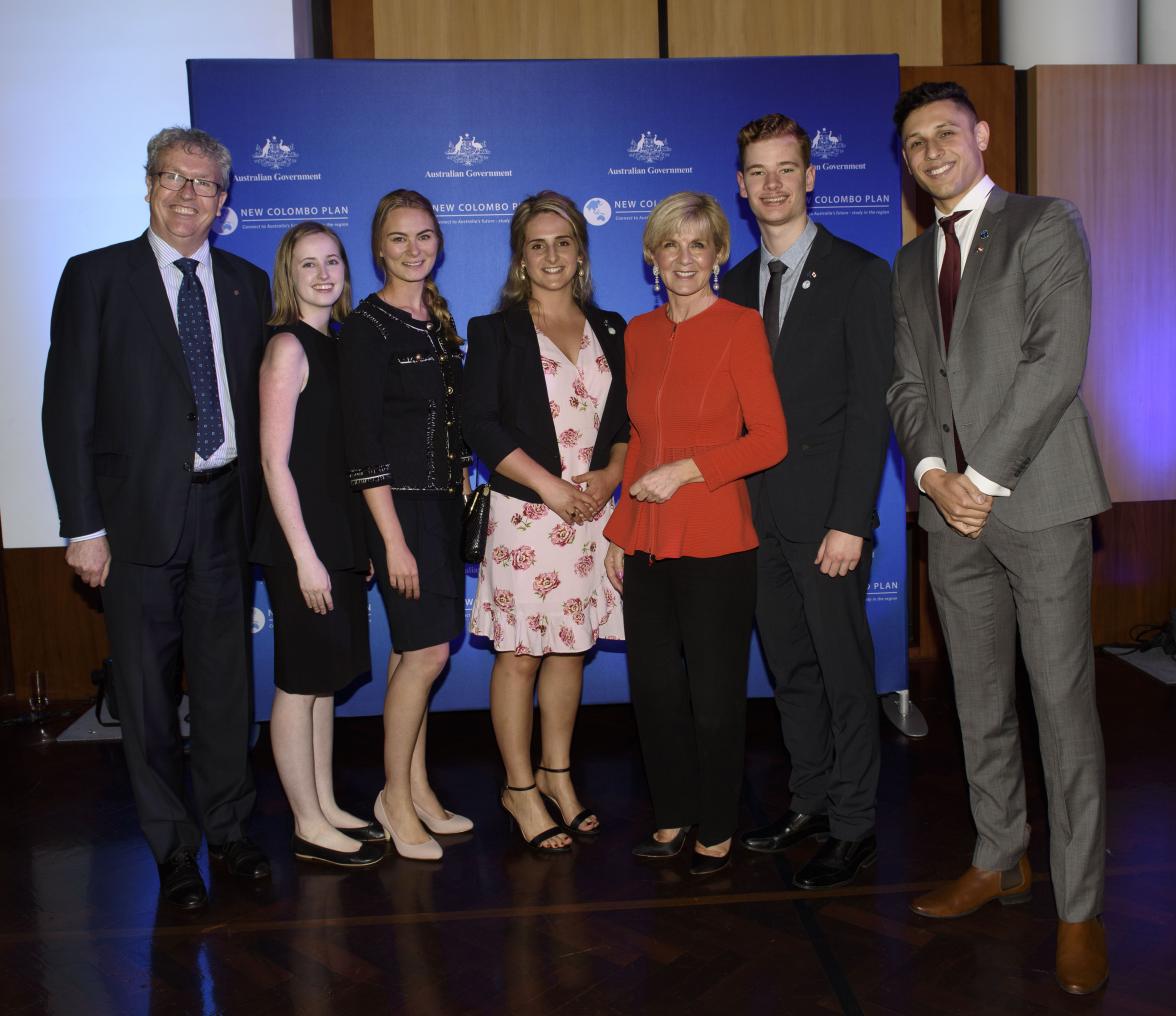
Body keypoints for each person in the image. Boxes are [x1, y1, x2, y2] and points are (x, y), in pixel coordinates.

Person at [888, 81, 1111, 995]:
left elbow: (1055, 360)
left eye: (946, 132)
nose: (931, 150)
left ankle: (1081, 908)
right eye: (913, 142)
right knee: (979, 701)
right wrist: (936, 475)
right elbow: (909, 385)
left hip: (1039, 501)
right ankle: (1000, 856)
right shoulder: (909, 265)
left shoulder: (1046, 224)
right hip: (949, 513)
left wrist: (981, 478)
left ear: (981, 136)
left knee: (1061, 709)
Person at [42, 127, 272, 909]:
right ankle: (173, 852)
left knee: (225, 691)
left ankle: (231, 832)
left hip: (224, 511)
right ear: (149, 185)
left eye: (206, 184)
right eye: (174, 179)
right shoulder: (95, 277)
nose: (188, 195)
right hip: (134, 523)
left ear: (223, 200)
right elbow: (66, 409)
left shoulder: (245, 284)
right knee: (144, 699)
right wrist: (83, 527)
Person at [720, 114, 894, 890]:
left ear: (811, 176)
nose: (773, 185)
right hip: (753, 521)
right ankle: (811, 801)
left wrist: (851, 521)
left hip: (830, 522)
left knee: (846, 672)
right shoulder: (728, 286)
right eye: (758, 172)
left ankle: (855, 826)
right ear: (740, 184)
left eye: (786, 169)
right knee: (790, 672)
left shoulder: (861, 274)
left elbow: (870, 410)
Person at [604, 192, 788, 876]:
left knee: (713, 698)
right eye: (670, 245)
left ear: (719, 253)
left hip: (715, 539)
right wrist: (621, 533)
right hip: (645, 538)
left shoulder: (741, 326)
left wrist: (689, 469)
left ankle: (718, 822)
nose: (684, 258)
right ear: (653, 258)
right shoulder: (639, 333)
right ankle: (674, 812)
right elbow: (640, 439)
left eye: (698, 244)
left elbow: (770, 439)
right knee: (653, 692)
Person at [464, 191, 628, 854]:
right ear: (521, 257)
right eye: (538, 245)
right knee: (522, 656)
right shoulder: (496, 331)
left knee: (570, 649)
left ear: (580, 252)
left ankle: (558, 775)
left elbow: (626, 423)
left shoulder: (611, 327)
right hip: (530, 517)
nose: (552, 256)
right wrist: (552, 488)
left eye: (563, 243)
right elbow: (481, 423)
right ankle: (519, 787)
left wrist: (613, 475)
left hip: (594, 518)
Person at [339, 189, 472, 861]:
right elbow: (361, 447)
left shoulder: (434, 323)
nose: (413, 249)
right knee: (427, 656)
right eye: (399, 238)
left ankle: (416, 789)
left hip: (441, 505)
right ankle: (393, 799)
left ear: (438, 243)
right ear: (378, 248)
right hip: (402, 511)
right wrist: (390, 540)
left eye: (424, 236)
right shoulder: (365, 329)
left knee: (411, 656)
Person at [252, 222, 384, 868]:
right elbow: (275, 463)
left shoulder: (336, 346)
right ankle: (306, 822)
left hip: (336, 538)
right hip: (298, 542)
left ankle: (327, 804)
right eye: (308, 265)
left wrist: (352, 547)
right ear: (289, 275)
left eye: (332, 261)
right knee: (298, 683)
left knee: (326, 683)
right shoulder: (287, 348)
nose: (324, 274)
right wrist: (304, 554)